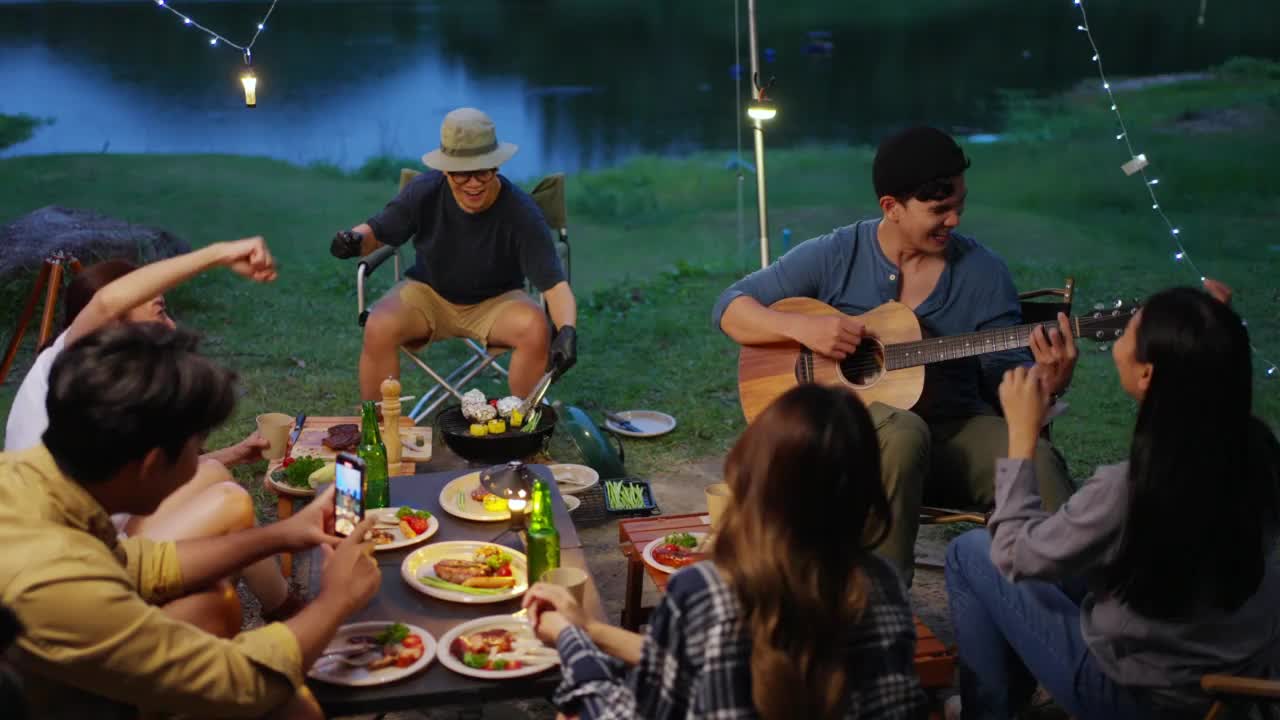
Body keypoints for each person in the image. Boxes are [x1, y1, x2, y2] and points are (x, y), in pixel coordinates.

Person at [712, 126, 1077, 585]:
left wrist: (1047, 381)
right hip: (845, 441)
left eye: (959, 206)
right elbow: (729, 307)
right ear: (891, 207)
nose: (955, 221)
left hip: (954, 433)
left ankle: (1080, 614)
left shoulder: (984, 273)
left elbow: (1008, 389)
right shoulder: (837, 253)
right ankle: (876, 613)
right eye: (940, 209)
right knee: (903, 432)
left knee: (1039, 462)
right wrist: (803, 327)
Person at [0, 323, 382, 719]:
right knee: (290, 701)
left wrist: (282, 534)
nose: (203, 460)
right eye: (198, 449)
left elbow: (139, 565)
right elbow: (241, 684)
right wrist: (338, 600)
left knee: (215, 606)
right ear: (150, 465)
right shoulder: (52, 580)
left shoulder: (28, 479)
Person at [945, 279, 1280, 719]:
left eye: (1128, 332)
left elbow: (1014, 556)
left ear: (1147, 374)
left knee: (972, 553)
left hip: (1135, 697)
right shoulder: (1259, 455)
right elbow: (1218, 396)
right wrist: (1212, 335)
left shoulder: (1131, 489)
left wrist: (1022, 435)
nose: (1118, 336)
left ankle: (987, 710)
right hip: (1230, 687)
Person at [523, 384, 928, 719]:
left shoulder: (703, 593)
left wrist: (571, 640)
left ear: (755, 479)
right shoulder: (883, 588)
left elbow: (628, 712)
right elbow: (696, 663)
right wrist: (593, 631)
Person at [2, 240, 305, 622]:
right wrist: (220, 254)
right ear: (114, 324)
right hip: (75, 571)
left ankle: (283, 607)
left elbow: (134, 474)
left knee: (213, 473)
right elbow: (107, 303)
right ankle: (283, 614)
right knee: (231, 510)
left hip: (92, 534)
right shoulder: (71, 365)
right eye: (159, 312)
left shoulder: (81, 377)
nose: (171, 326)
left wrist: (231, 453)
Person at [331, 106, 578, 400]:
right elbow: (377, 232)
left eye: (483, 171)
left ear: (496, 166)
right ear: (446, 169)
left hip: (497, 302)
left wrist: (566, 331)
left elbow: (554, 285)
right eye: (462, 174)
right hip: (428, 294)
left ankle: (524, 430)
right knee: (378, 324)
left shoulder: (521, 212)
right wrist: (352, 240)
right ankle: (380, 430)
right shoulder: (424, 190)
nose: (473, 184)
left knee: (536, 327)